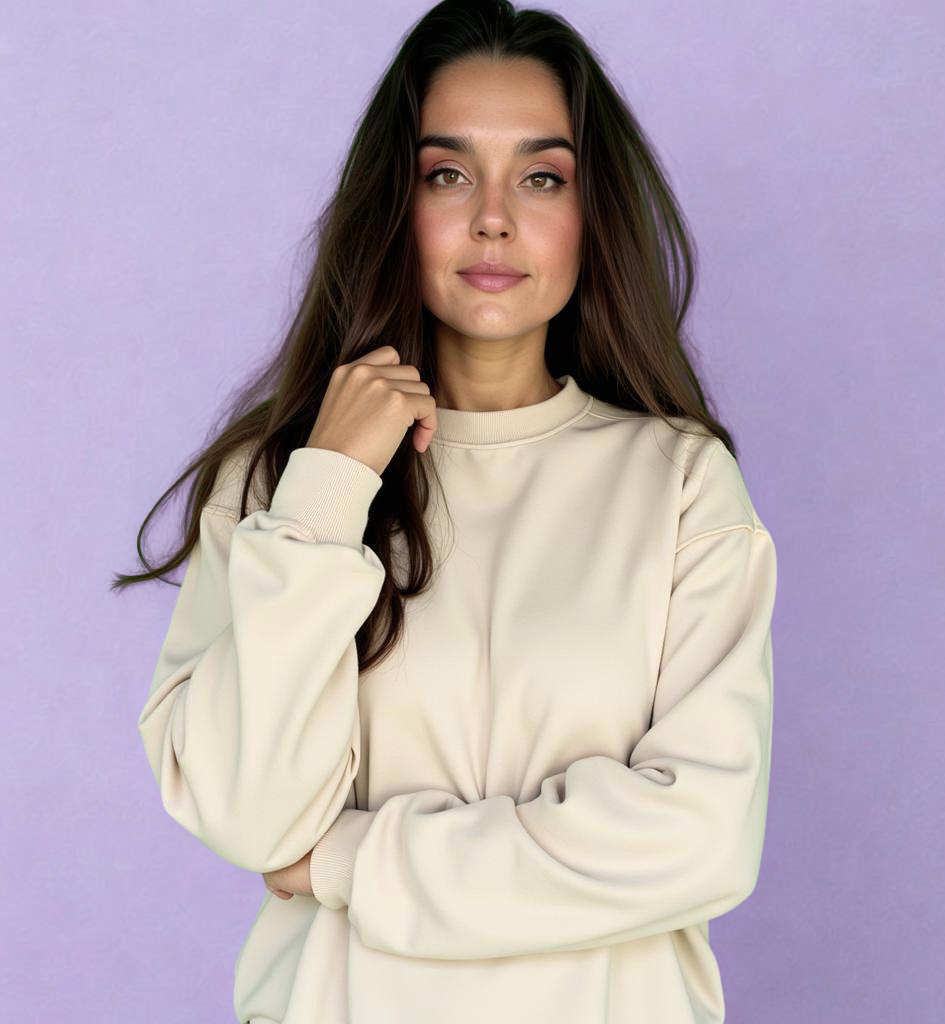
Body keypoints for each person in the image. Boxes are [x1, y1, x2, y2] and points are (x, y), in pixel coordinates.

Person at [116, 1, 778, 1021]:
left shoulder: (680, 484)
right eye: (448, 173)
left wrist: (344, 855)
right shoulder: (283, 481)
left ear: (591, 212)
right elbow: (249, 816)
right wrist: (329, 489)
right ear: (397, 201)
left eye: (543, 175)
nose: (494, 217)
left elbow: (701, 839)